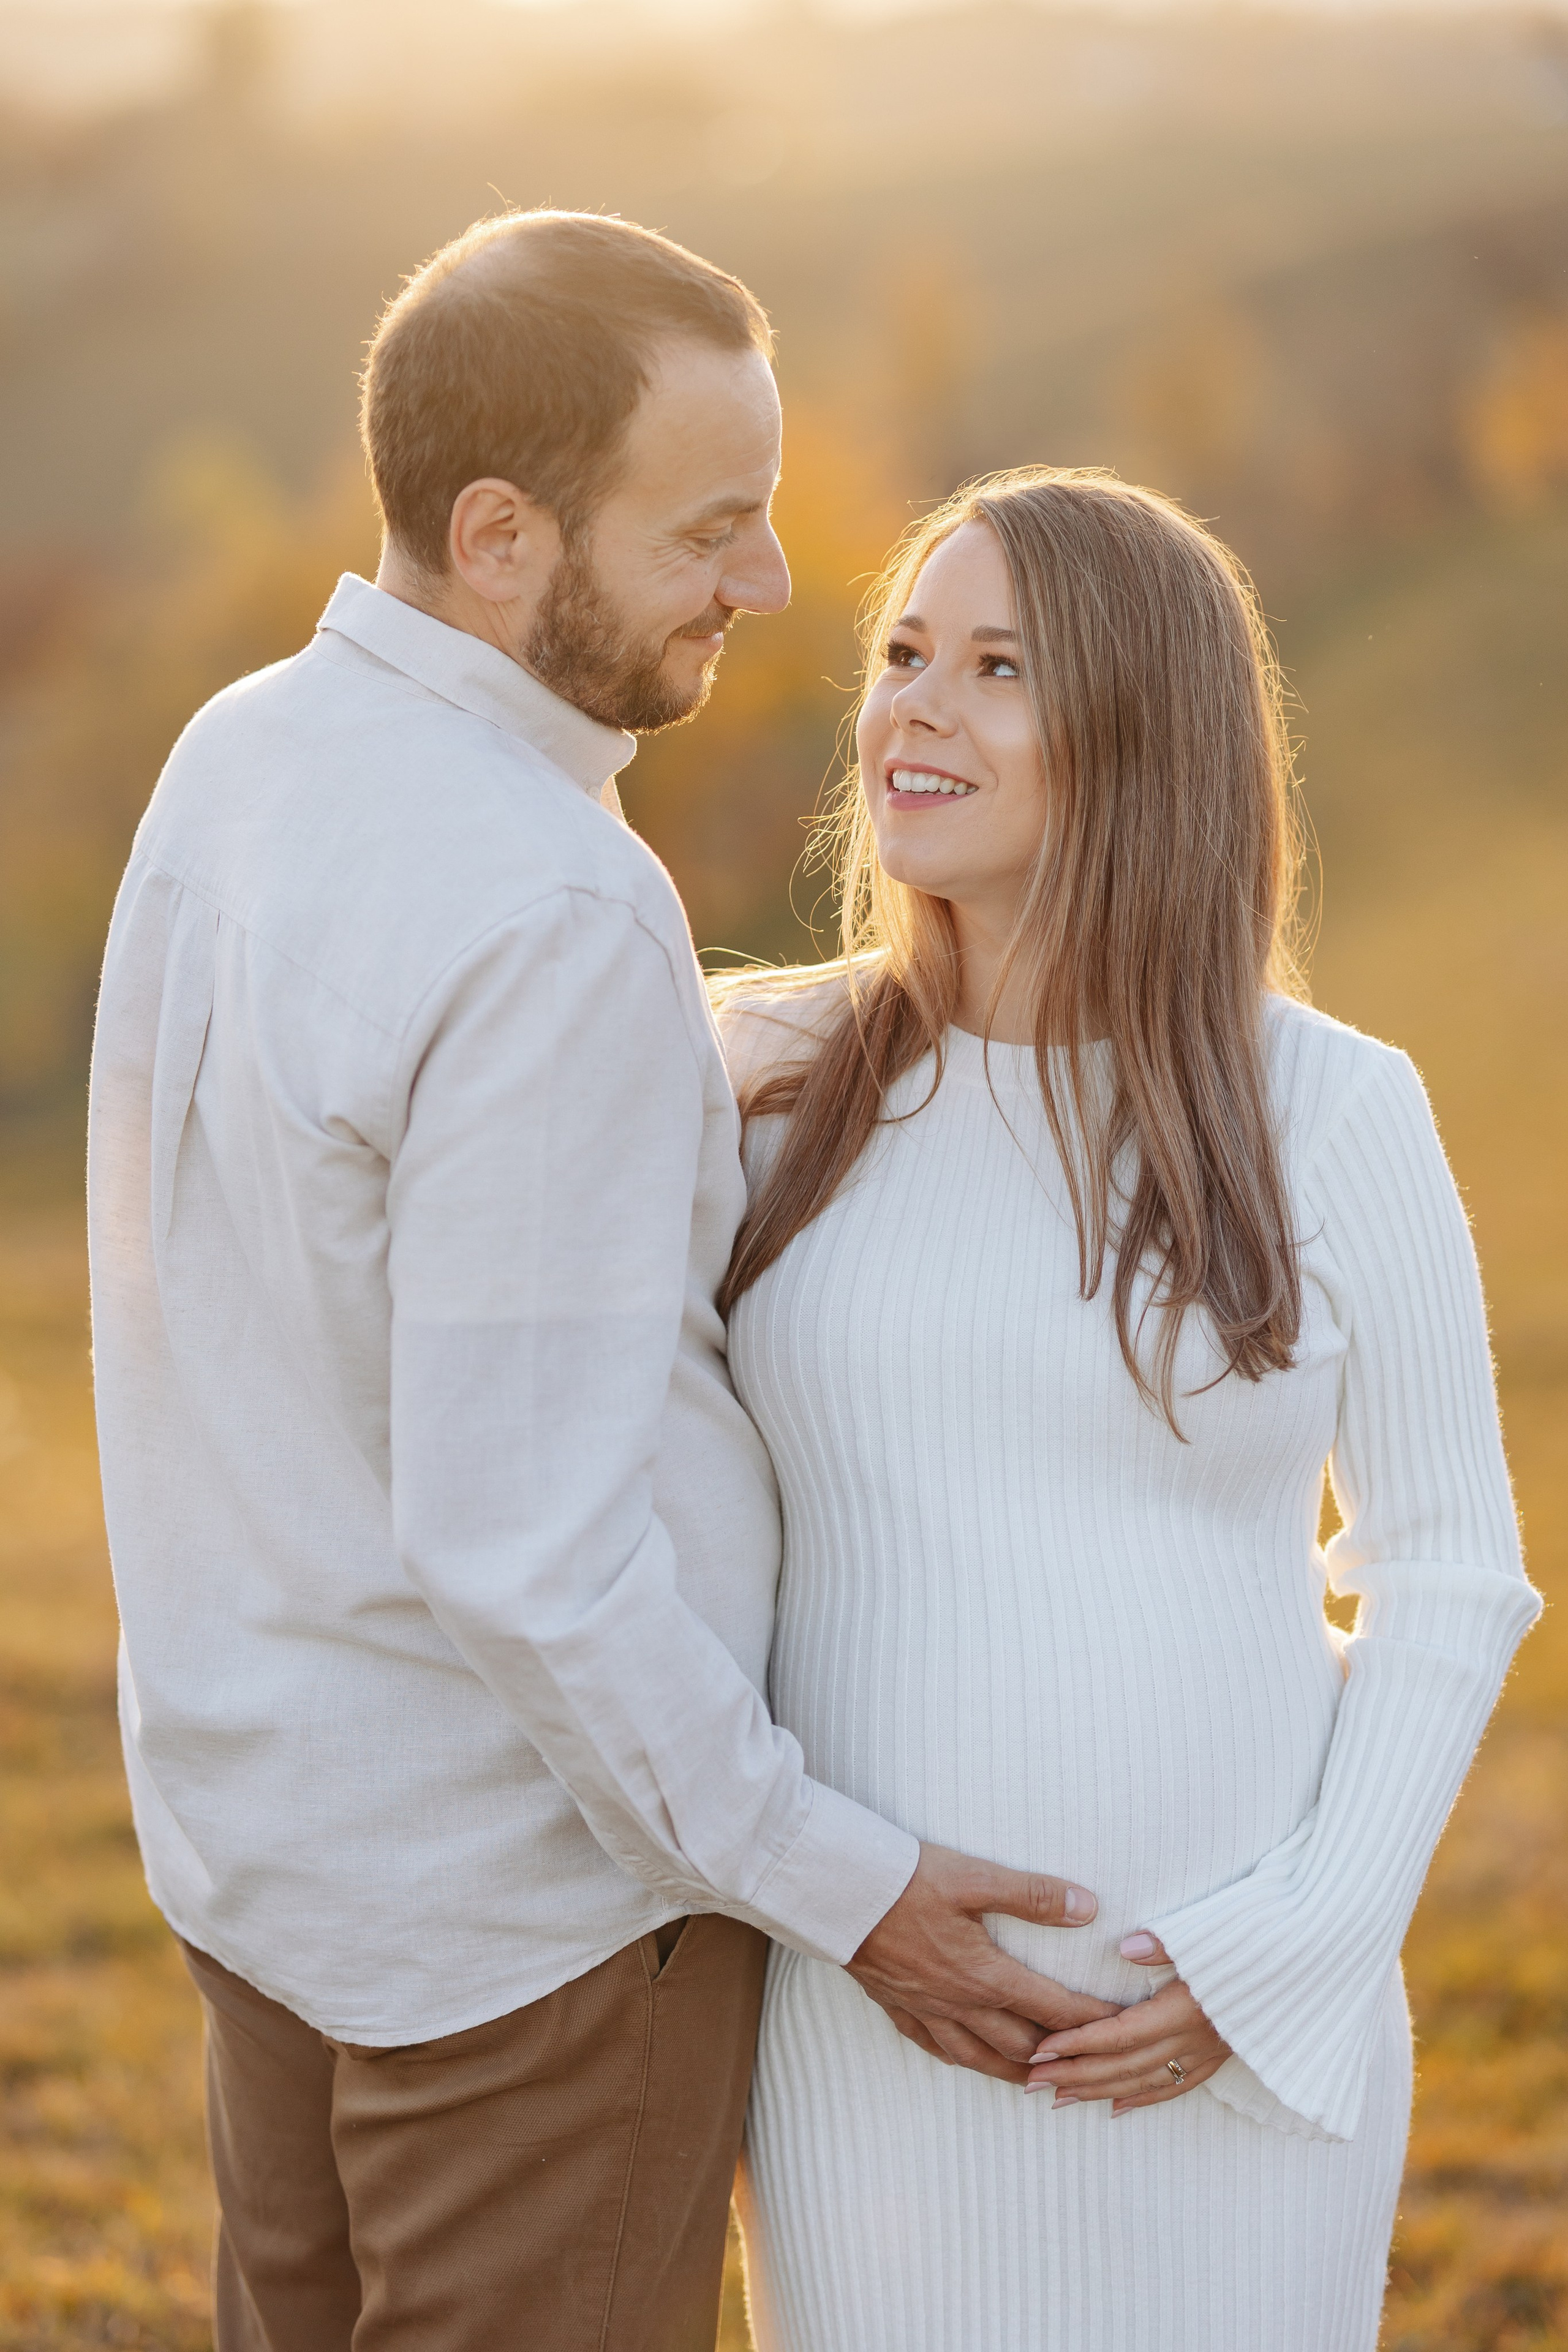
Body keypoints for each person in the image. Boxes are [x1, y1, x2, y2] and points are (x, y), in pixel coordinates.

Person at [85, 222, 1112, 2352]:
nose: (767, 584)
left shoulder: (244, 755)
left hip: (268, 1854)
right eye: (707, 530)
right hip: (521, 1937)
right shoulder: (550, 908)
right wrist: (848, 1891)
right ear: (499, 538)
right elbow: (532, 1556)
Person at [715, 466, 1539, 2352]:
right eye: (904, 654)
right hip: (866, 2024)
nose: (917, 708)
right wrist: (832, 1896)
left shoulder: (1330, 1106)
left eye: (998, 667)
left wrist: (1290, 1958)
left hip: (1232, 2043)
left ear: (1145, 732)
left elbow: (1448, 1571)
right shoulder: (759, 1074)